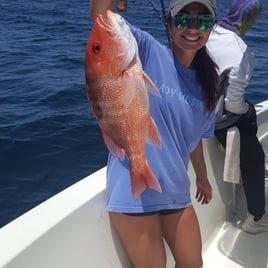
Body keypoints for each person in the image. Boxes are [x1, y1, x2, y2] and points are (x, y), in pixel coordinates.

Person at [90, 0, 219, 267]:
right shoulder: (147, 51)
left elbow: (194, 139)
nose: (193, 28)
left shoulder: (208, 84)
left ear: (212, 28)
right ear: (169, 22)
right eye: (183, 20)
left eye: (203, 21)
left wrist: (203, 177)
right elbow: (102, 20)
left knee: (193, 263)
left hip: (176, 190)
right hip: (132, 191)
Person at [206, 0, 268, 234]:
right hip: (219, 121)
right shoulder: (241, 51)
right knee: (254, 157)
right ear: (244, 20)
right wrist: (249, 110)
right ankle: (256, 218)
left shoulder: (207, 32)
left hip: (197, 113)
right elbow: (233, 104)